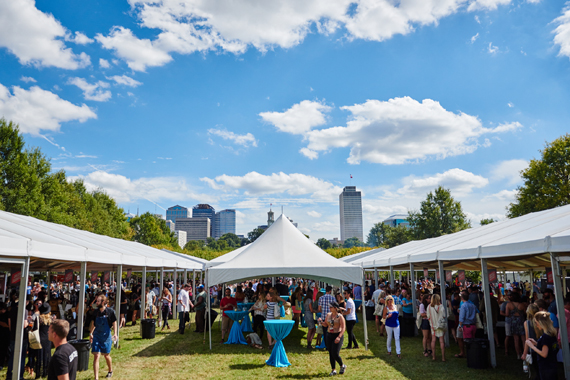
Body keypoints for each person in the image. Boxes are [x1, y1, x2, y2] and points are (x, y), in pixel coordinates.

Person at [89, 295, 117, 380]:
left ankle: (110, 370)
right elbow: (93, 323)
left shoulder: (110, 311)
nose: (96, 303)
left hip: (106, 336)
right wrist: (91, 333)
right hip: (97, 335)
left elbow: (114, 322)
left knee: (106, 355)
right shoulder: (96, 312)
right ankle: (96, 378)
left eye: (98, 301)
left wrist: (115, 333)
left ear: (103, 302)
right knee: (96, 355)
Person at [526, 311, 559, 380]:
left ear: (541, 323)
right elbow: (548, 347)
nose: (536, 325)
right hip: (553, 365)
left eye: (536, 322)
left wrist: (532, 346)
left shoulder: (545, 337)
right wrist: (536, 343)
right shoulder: (552, 334)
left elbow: (544, 354)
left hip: (546, 367)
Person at [320, 302, 347, 376]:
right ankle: (333, 370)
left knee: (335, 353)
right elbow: (326, 324)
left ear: (335, 308)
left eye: (331, 307)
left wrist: (339, 337)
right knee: (331, 353)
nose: (329, 308)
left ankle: (342, 365)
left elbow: (343, 327)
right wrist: (321, 322)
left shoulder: (340, 316)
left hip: (337, 335)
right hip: (329, 335)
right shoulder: (328, 315)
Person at [456, 292, 477, 358]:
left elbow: (461, 317)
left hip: (466, 325)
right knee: (472, 340)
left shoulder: (463, 306)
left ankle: (469, 354)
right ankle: (472, 353)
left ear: (462, 298)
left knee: (467, 341)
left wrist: (460, 326)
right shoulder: (473, 305)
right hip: (473, 325)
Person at [506, 292, 526, 358]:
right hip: (521, 321)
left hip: (513, 321)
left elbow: (507, 314)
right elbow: (525, 313)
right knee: (523, 338)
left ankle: (518, 354)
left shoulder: (509, 304)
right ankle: (525, 353)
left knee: (516, 339)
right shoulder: (522, 305)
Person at [427, 294, 446, 362]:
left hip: (433, 325)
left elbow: (428, 316)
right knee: (441, 341)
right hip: (440, 325)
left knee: (433, 340)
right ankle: (443, 357)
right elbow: (443, 316)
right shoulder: (441, 306)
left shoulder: (429, 306)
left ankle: (434, 356)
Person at [521, 303, 539, 375]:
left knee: (537, 368)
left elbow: (527, 338)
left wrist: (525, 353)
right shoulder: (543, 320)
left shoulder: (527, 323)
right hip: (542, 345)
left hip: (533, 348)